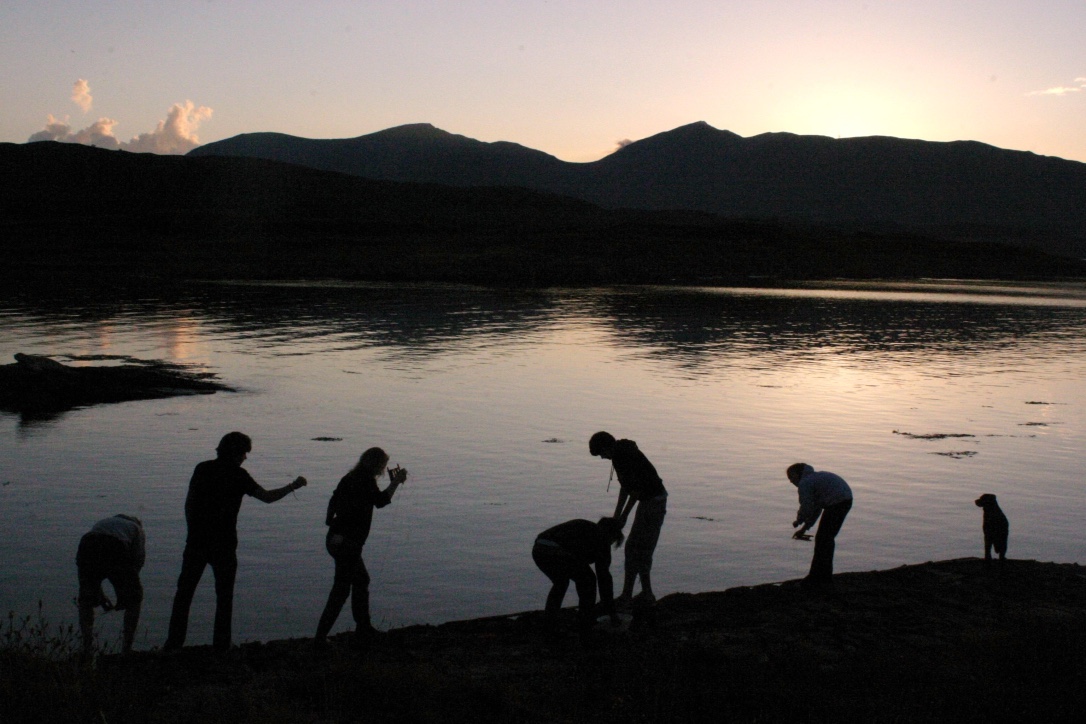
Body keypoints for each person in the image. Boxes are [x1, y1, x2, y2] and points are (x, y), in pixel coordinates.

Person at [164, 432, 307, 651]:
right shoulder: (239, 476)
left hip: (196, 541)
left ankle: (173, 644)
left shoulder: (202, 468)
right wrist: (292, 486)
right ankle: (221, 645)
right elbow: (267, 498)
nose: (245, 458)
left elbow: (189, 503)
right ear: (235, 453)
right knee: (224, 596)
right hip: (224, 543)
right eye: (244, 453)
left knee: (184, 594)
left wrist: (191, 530)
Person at [314, 447, 407, 649]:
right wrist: (395, 483)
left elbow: (333, 499)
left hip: (337, 540)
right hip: (348, 543)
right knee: (341, 590)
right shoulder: (365, 480)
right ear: (376, 464)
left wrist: (330, 520)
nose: (383, 468)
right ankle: (321, 638)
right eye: (382, 464)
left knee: (361, 580)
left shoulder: (350, 477)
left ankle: (363, 628)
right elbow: (381, 502)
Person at [589, 431, 667, 605]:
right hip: (647, 501)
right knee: (635, 549)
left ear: (606, 447)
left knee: (636, 548)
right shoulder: (618, 456)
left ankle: (632, 595)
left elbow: (636, 491)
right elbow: (626, 487)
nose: (602, 458)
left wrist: (624, 516)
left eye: (601, 454)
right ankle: (640, 593)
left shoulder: (625, 457)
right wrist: (617, 515)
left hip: (653, 502)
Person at [532, 517, 624, 639]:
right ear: (611, 534)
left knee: (561, 583)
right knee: (588, 581)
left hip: (539, 548)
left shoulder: (586, 527)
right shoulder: (601, 538)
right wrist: (612, 612)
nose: (610, 545)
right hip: (556, 551)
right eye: (612, 541)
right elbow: (604, 579)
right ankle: (585, 625)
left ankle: (550, 623)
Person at [76, 514, 145, 656]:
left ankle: (87, 648)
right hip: (115, 546)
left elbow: (96, 563)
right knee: (135, 600)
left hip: (87, 544)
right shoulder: (137, 528)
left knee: (86, 600)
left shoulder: (104, 521)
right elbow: (137, 563)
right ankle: (126, 649)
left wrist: (98, 593)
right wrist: (125, 594)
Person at [787, 463, 853, 589]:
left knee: (824, 540)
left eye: (791, 477)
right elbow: (816, 509)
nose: (791, 481)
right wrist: (804, 528)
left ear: (797, 474)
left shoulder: (805, 483)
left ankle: (818, 578)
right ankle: (822, 576)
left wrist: (798, 520)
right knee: (825, 539)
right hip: (845, 500)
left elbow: (807, 506)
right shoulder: (814, 479)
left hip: (838, 503)